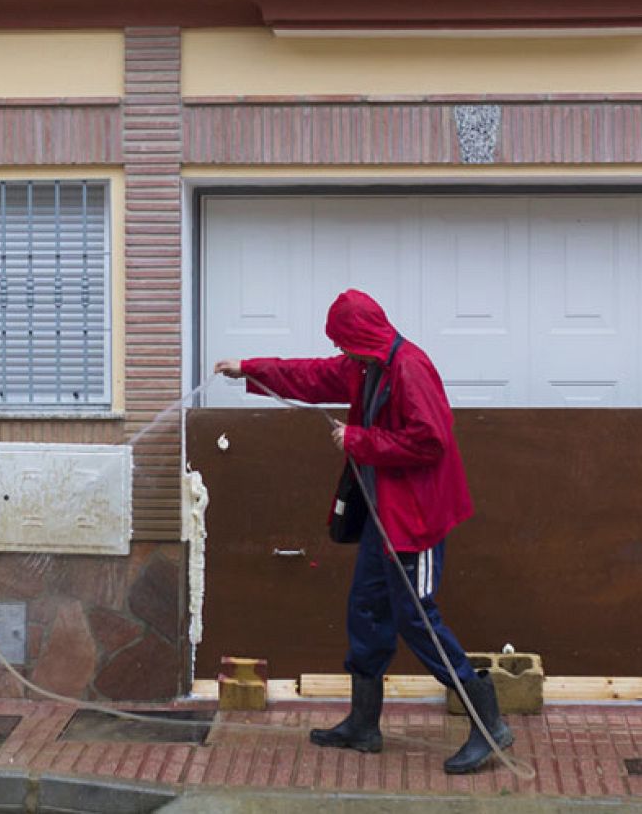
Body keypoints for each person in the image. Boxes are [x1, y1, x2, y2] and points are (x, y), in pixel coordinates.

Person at [214, 289, 511, 775]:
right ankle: (364, 724)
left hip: (416, 523)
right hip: (384, 517)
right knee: (366, 609)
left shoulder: (409, 368)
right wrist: (249, 367)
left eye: (345, 343)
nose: (341, 353)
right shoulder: (366, 364)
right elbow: (310, 374)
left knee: (418, 619)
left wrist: (358, 439)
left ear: (363, 336)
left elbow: (431, 440)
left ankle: (489, 719)